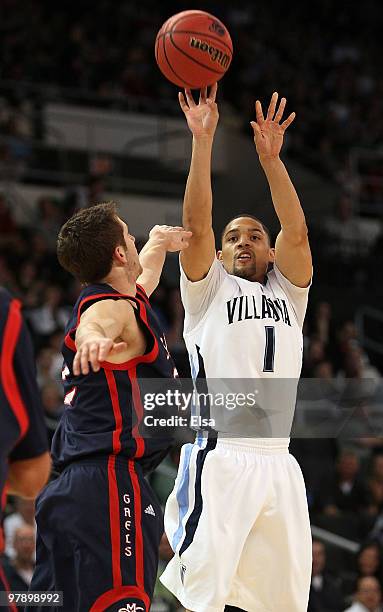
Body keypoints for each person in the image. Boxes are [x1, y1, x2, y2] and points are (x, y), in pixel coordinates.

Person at [160, 85, 313, 611]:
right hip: (221, 456)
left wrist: (272, 160)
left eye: (253, 235)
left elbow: (296, 228)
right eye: (232, 237)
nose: (242, 241)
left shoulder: (289, 295)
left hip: (279, 463)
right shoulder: (208, 291)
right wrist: (203, 141)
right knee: (203, 598)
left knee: (281, 604)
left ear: (269, 250)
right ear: (221, 254)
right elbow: (197, 224)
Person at [27, 202, 191, 612]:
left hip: (67, 491)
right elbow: (94, 324)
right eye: (130, 237)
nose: (135, 243)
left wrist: (157, 242)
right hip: (109, 484)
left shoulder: (129, 300)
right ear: (119, 253)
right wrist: (92, 342)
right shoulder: (109, 309)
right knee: (122, 604)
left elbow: (147, 273)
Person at [0, 287, 50, 609]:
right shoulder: (5, 311)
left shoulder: (48, 570)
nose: (24, 544)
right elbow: (31, 477)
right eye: (22, 541)